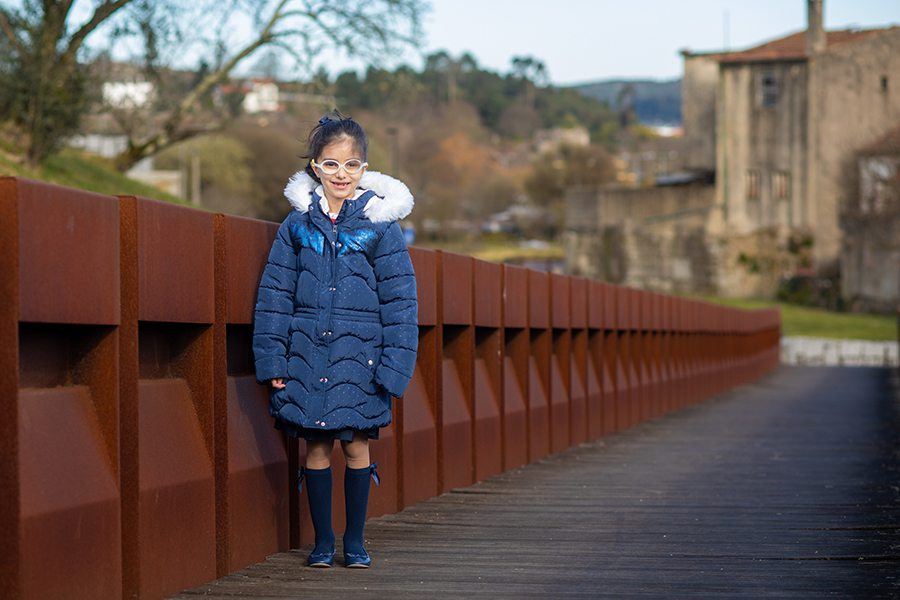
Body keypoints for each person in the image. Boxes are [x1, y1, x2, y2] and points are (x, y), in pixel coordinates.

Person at [252, 112, 418, 568]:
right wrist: (273, 362)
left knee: (356, 445)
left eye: (351, 165)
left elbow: (401, 302)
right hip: (306, 355)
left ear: (365, 168)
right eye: (330, 165)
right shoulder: (297, 226)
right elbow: (275, 295)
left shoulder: (382, 227)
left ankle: (356, 541)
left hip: (360, 360)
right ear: (314, 168)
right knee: (317, 446)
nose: (341, 175)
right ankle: (324, 542)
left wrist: (393, 369)